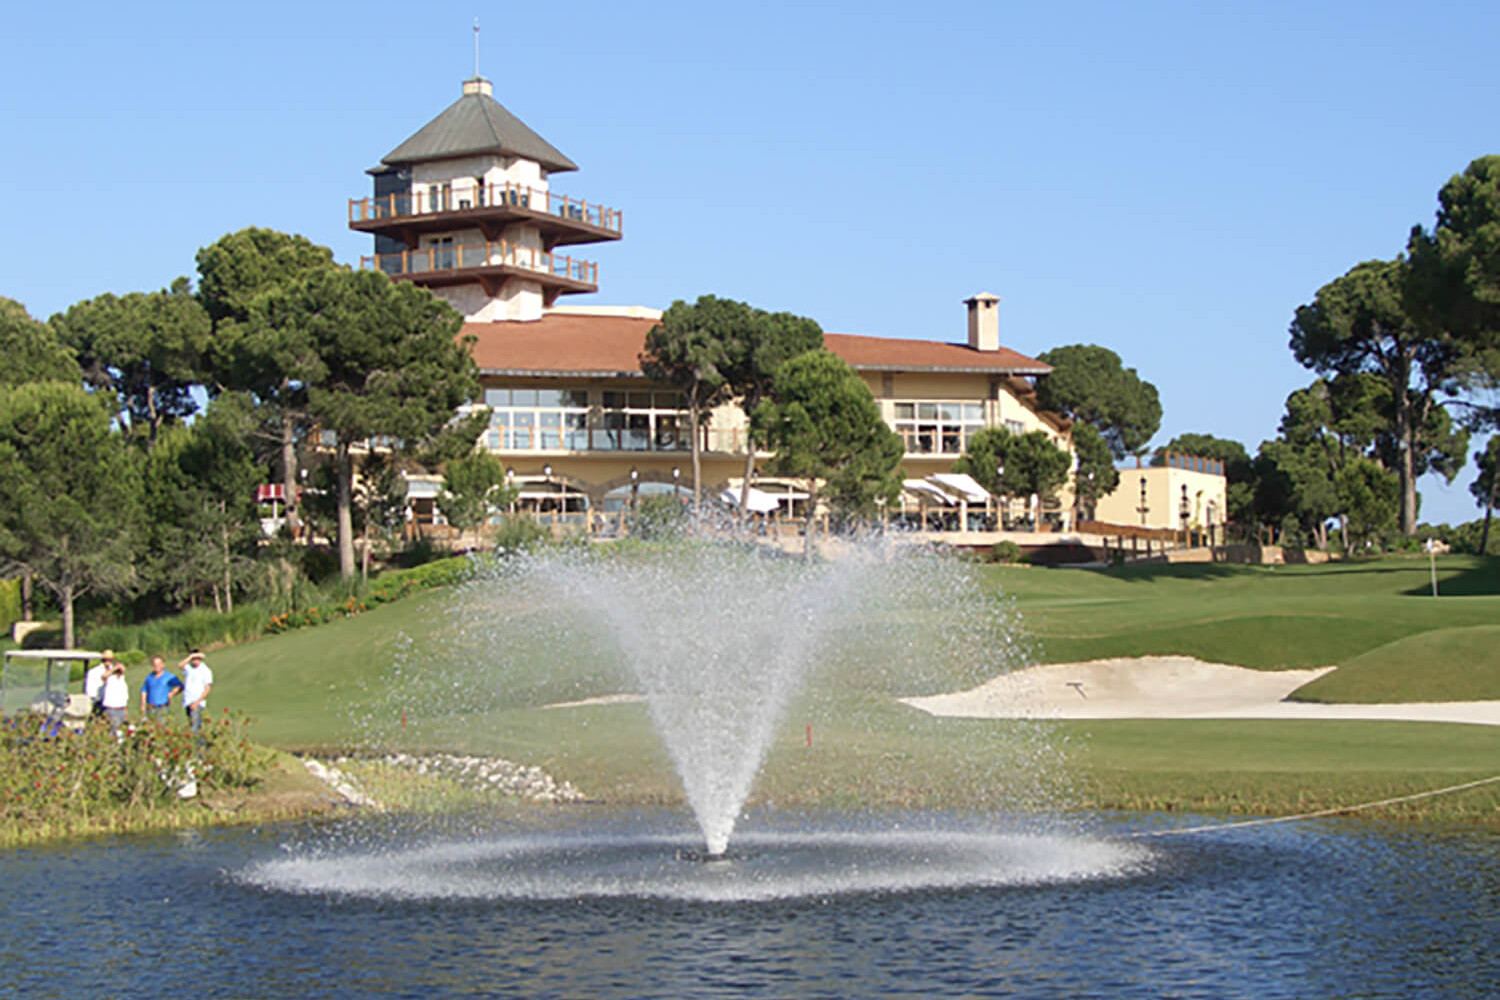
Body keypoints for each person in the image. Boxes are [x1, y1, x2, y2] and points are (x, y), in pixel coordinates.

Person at [139, 656, 184, 723]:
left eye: (159, 664)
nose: (156, 666)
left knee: (161, 728)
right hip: (150, 708)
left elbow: (180, 686)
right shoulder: (149, 677)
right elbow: (144, 690)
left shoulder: (169, 676)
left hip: (162, 708)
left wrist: (172, 693)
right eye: (155, 664)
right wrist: (142, 704)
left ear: (163, 665)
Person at [179, 650, 213, 733]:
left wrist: (197, 702)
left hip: (197, 703)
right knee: (192, 725)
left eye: (196, 658)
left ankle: (199, 744)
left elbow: (207, 689)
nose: (195, 660)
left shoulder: (205, 670)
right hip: (188, 701)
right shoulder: (189, 668)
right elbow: (180, 665)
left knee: (195, 728)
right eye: (193, 658)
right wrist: (190, 657)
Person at [100, 657, 130, 733]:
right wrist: (115, 668)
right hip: (112, 709)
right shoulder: (110, 678)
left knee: (122, 730)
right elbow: (104, 676)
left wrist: (126, 713)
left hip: (121, 708)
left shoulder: (122, 679)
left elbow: (124, 698)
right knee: (114, 730)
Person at [84, 651, 113, 721]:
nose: (108, 662)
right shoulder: (94, 672)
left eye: (110, 660)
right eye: (106, 660)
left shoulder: (114, 671)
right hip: (99, 701)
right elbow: (90, 690)